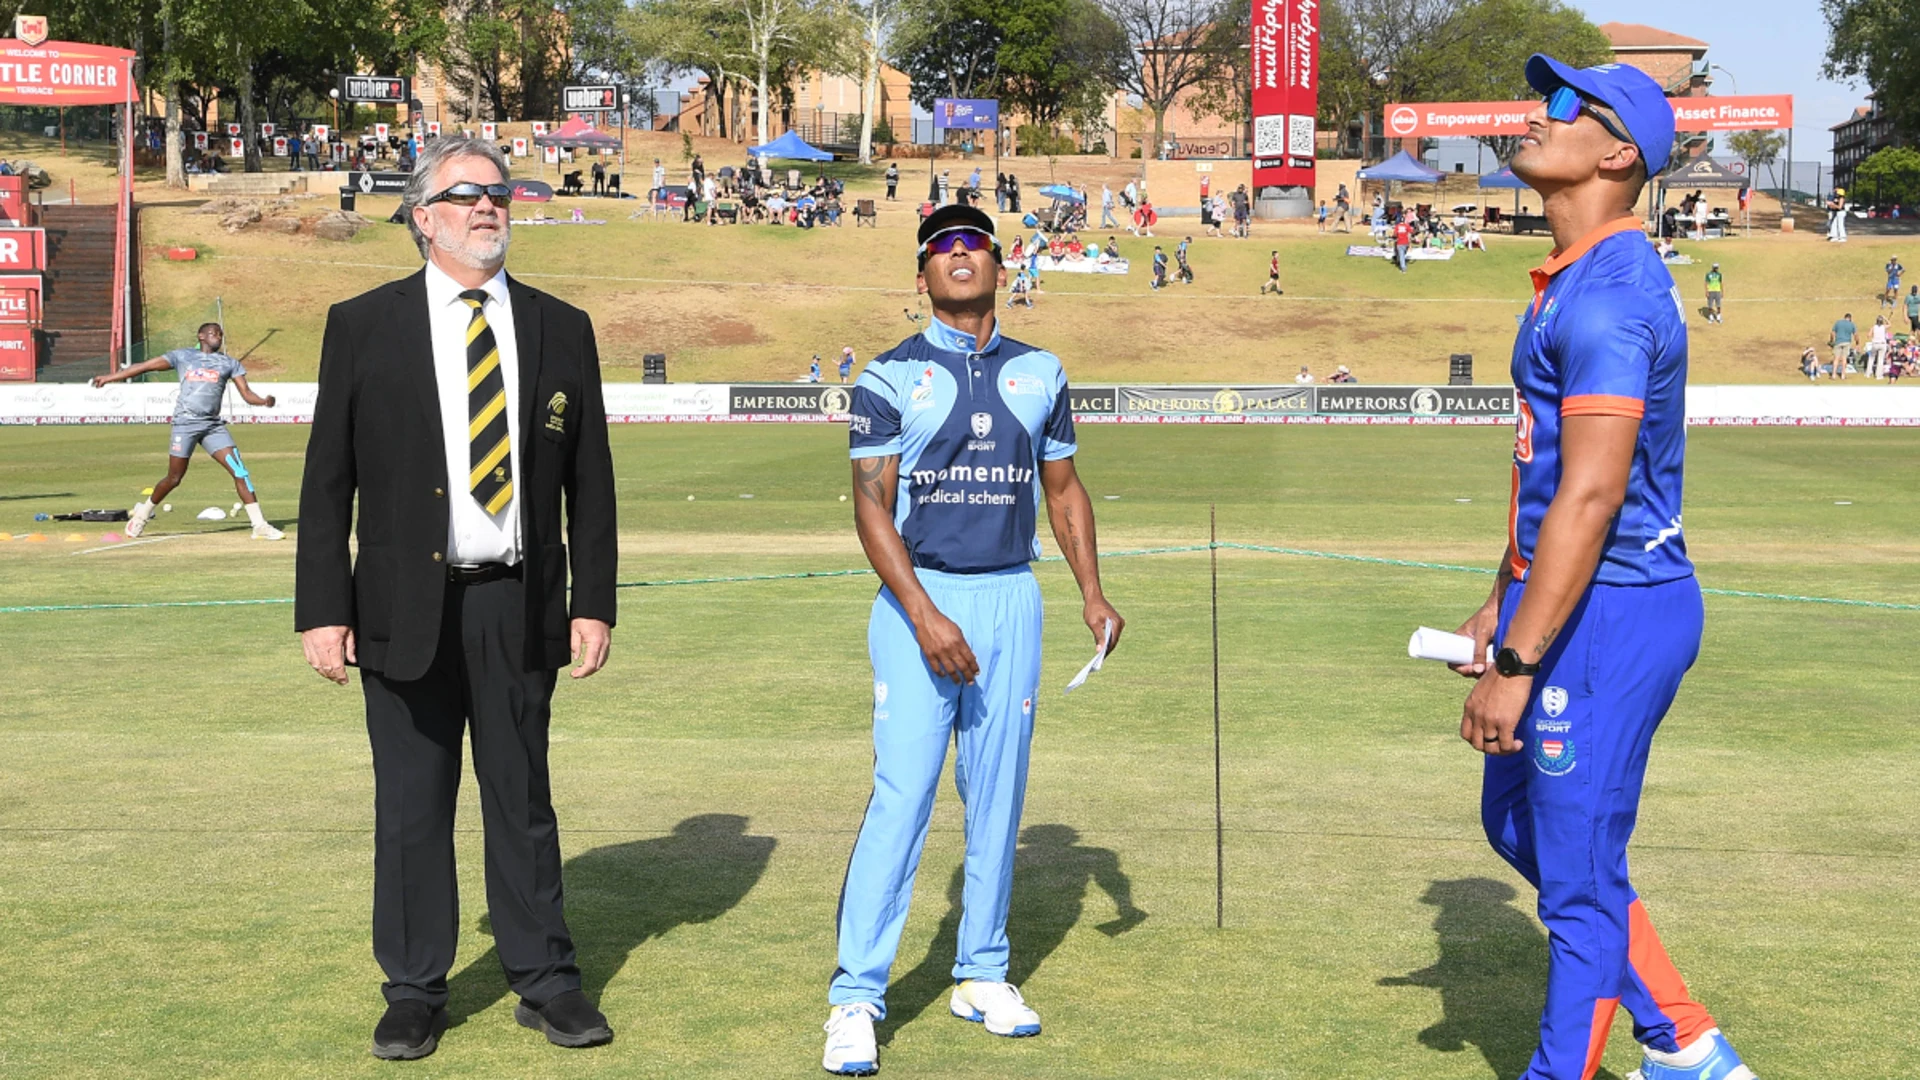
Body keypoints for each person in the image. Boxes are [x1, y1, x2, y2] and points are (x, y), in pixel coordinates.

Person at [1448, 54, 1757, 1080]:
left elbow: (1592, 494)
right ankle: (1680, 1035)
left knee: (1578, 882)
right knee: (1512, 820)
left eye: (1565, 106)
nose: (1540, 116)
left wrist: (1520, 658)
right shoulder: (1569, 282)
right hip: (1563, 604)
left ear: (1618, 151)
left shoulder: (1617, 295)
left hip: (1617, 614)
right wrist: (1503, 599)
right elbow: (1543, 473)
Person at [294, 135, 619, 1061]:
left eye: (500, 193)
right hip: (400, 606)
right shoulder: (363, 325)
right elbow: (328, 483)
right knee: (410, 806)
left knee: (522, 800)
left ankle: (545, 979)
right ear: (422, 216)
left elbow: (589, 484)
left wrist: (591, 600)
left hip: (517, 603)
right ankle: (414, 988)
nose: (490, 207)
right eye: (468, 194)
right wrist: (323, 608)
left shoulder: (564, 326)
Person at [825, 203, 1124, 1077]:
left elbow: (1063, 491)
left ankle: (981, 972)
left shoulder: (1042, 370)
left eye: (975, 246)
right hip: (920, 601)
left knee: (997, 801)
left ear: (1001, 264)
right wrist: (924, 615)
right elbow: (869, 506)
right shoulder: (887, 376)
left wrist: (1093, 594)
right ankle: (856, 995)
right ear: (921, 275)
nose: (960, 257)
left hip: (1009, 600)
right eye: (941, 249)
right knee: (904, 796)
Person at [89, 322, 283, 541]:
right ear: (201, 336)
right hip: (185, 425)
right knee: (174, 478)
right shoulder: (183, 356)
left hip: (213, 427)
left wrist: (264, 401)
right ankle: (143, 514)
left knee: (240, 472)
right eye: (213, 333)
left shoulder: (229, 363)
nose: (218, 337)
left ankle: (259, 525)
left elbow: (247, 394)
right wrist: (109, 378)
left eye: (220, 334)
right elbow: (145, 366)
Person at [1830, 311, 1858, 379]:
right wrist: (1857, 343)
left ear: (1844, 317)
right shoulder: (1852, 324)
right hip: (1847, 342)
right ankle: (1843, 375)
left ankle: (1833, 374)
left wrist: (1831, 341)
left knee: (1836, 358)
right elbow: (1856, 335)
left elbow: (1832, 333)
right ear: (1850, 318)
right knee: (1844, 359)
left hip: (1838, 342)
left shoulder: (1838, 322)